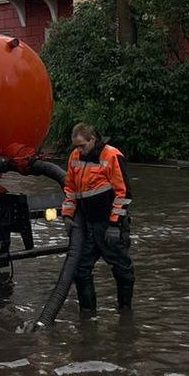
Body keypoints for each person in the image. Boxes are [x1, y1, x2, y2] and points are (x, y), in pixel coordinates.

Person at [60, 122, 134, 312]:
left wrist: (114, 225)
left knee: (122, 268)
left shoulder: (111, 156)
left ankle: (125, 310)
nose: (79, 150)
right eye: (76, 146)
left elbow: (123, 193)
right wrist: (67, 215)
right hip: (86, 224)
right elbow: (70, 189)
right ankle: (88, 314)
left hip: (109, 223)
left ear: (92, 140)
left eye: (82, 146)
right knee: (80, 269)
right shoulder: (75, 156)